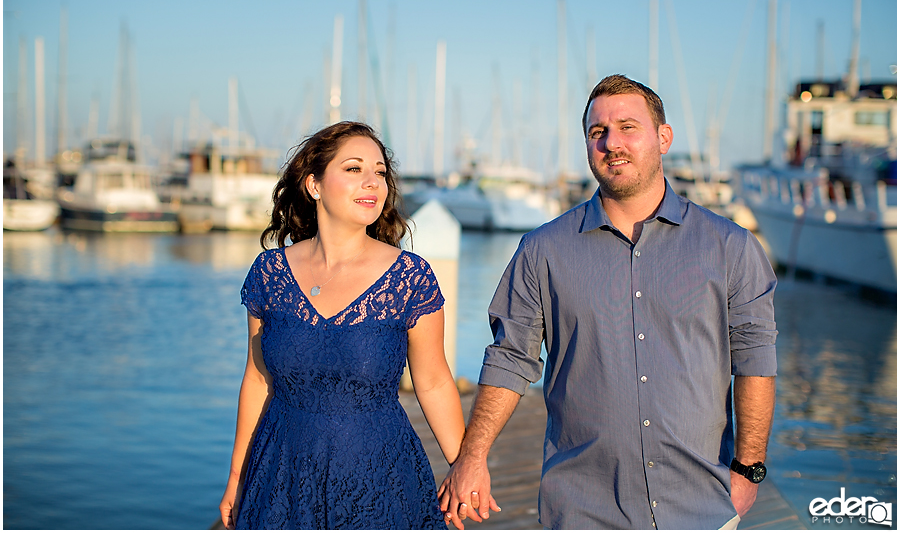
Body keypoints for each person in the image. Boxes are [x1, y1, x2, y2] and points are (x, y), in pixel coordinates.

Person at [438, 75, 777, 530]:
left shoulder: (730, 247)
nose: (612, 143)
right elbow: (510, 358)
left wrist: (749, 469)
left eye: (627, 127)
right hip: (582, 508)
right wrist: (472, 457)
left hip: (702, 507)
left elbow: (755, 361)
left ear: (663, 137)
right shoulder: (543, 250)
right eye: (598, 132)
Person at [219, 121, 474, 529]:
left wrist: (466, 467)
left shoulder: (409, 277)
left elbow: (434, 382)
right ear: (314, 185)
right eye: (354, 169)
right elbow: (257, 379)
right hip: (281, 475)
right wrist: (236, 477)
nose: (372, 182)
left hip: (379, 477)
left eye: (379, 172)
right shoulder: (270, 273)